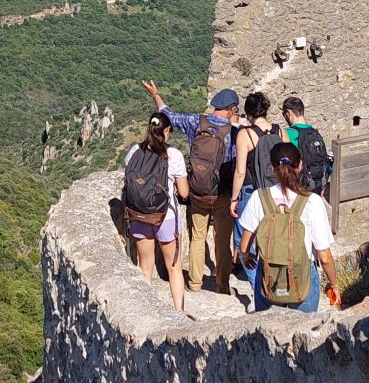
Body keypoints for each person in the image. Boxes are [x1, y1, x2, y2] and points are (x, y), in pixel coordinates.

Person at [141, 80, 239, 293]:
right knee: (223, 240)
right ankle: (222, 286)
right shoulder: (235, 132)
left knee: (197, 237)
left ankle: (195, 283)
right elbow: (238, 166)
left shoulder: (196, 121)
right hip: (222, 194)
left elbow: (169, 115)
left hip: (197, 192)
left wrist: (156, 95)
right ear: (232, 109)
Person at [236, 142, 342, 313]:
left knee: (267, 327)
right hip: (303, 277)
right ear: (300, 165)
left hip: (268, 277)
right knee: (305, 328)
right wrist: (334, 285)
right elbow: (324, 256)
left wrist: (247, 257)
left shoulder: (258, 197)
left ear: (272, 168)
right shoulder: (313, 202)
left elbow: (243, 246)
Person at [122, 112, 188, 310]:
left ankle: (145, 311)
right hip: (165, 217)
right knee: (174, 267)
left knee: (145, 266)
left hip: (139, 215)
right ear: (166, 131)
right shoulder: (174, 155)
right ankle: (178, 313)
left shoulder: (134, 151)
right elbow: (184, 193)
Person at [227, 92, 278, 303]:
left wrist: (233, 199)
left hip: (251, 192)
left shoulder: (245, 135)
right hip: (276, 192)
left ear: (248, 113)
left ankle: (258, 293)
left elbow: (240, 171)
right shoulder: (279, 130)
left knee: (243, 241)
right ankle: (274, 286)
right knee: (272, 239)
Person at [280, 96, 333, 197]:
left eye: (284, 114)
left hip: (297, 190)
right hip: (316, 190)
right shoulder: (316, 134)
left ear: (288, 113)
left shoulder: (288, 133)